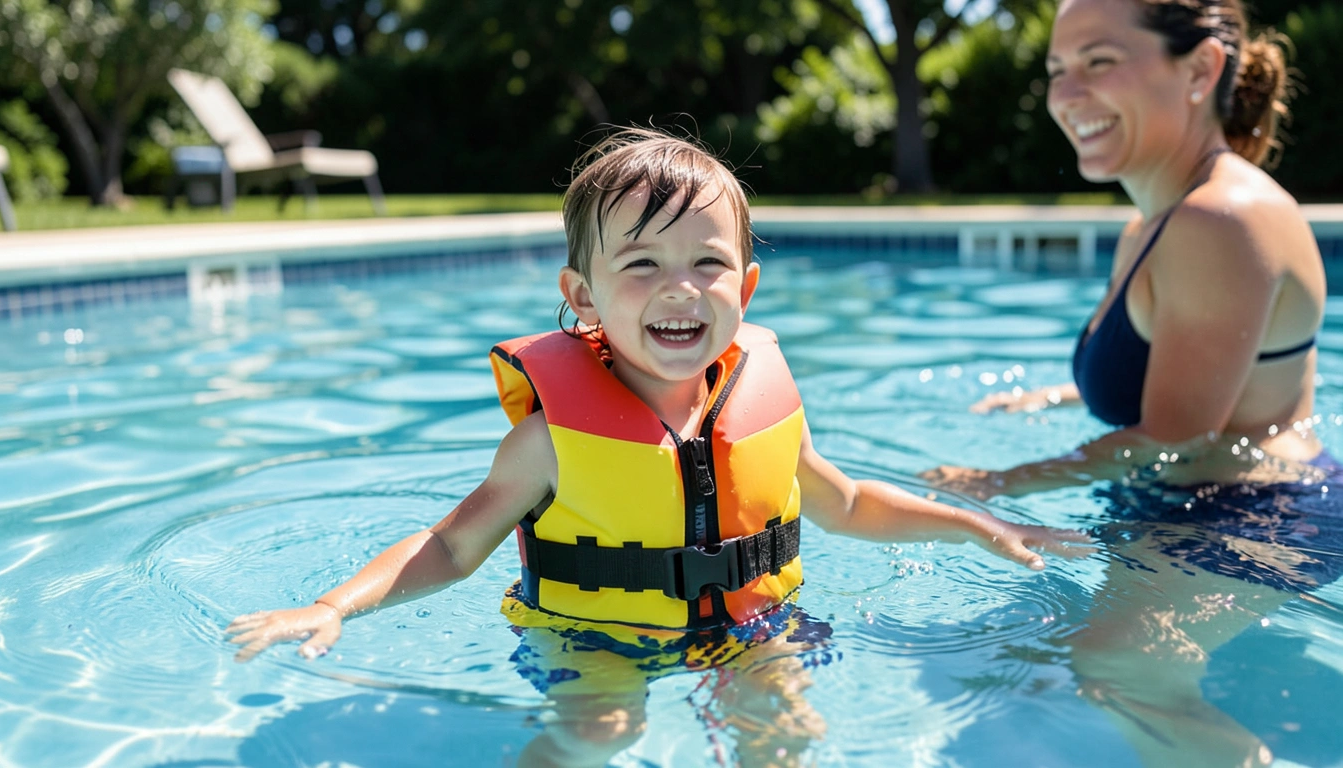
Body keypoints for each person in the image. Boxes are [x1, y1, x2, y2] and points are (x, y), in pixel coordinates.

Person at [226, 127, 1087, 767]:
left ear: (745, 286)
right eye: (640, 265)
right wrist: (335, 605)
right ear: (583, 296)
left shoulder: (764, 404)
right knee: (601, 732)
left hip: (752, 626)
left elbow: (849, 502)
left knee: (783, 731)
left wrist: (978, 526)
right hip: (593, 638)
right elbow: (452, 544)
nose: (679, 289)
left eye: (707, 264)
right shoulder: (550, 441)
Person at [924, 1, 1337, 765]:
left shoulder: (1223, 219)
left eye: (1099, 62)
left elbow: (1179, 435)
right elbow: (1176, 371)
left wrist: (998, 483)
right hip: (1183, 500)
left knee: (1117, 667)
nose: (1067, 93)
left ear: (1201, 69)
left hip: (1260, 514)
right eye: (1056, 71)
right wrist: (1058, 396)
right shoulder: (1153, 217)